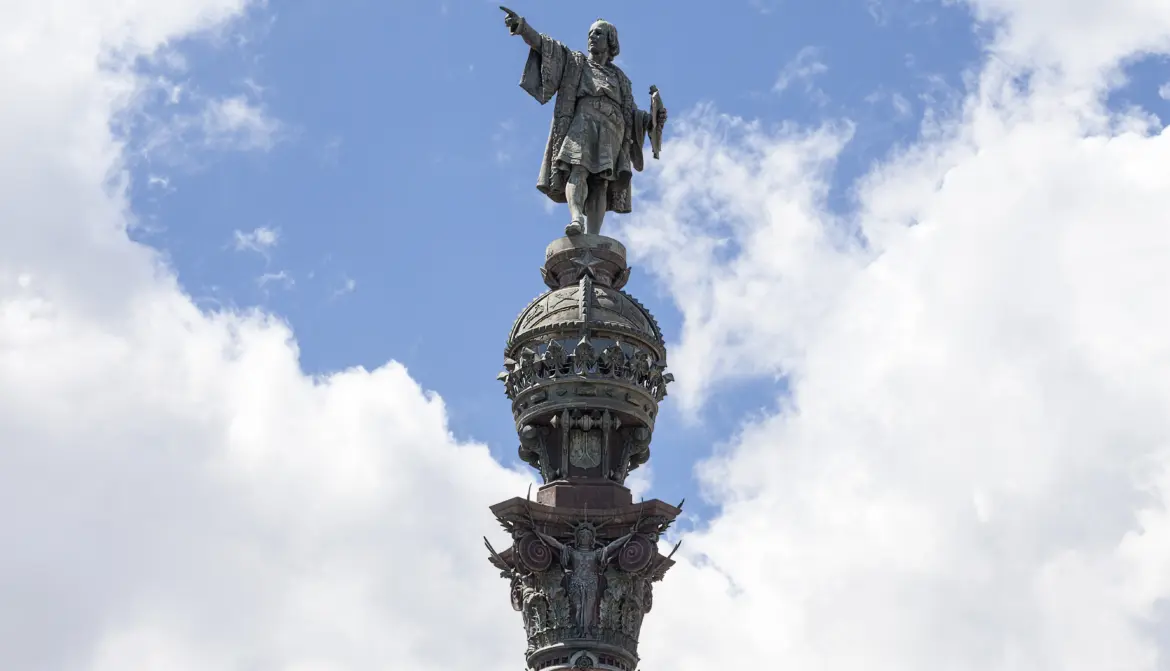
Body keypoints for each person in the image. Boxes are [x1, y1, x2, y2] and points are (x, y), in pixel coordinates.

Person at [500, 8, 668, 237]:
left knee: (601, 181)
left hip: (612, 130)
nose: (592, 37)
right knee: (577, 169)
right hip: (584, 121)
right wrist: (522, 28)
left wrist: (652, 119)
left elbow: (631, 114)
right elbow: (545, 46)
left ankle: (594, 235)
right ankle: (577, 218)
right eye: (590, 33)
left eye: (598, 33)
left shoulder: (621, 79)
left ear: (610, 41)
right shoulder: (576, 62)